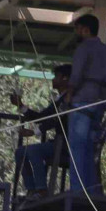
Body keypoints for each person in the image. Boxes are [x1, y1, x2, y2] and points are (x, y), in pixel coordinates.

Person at [65, 14, 106, 195]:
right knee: (90, 150)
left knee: (77, 149)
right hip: (100, 102)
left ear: (85, 30)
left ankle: (77, 191)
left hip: (82, 101)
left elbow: (76, 74)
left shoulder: (83, 48)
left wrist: (70, 93)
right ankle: (92, 192)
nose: (76, 32)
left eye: (77, 29)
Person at [12, 64, 72, 195]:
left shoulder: (70, 99)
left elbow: (57, 118)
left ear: (65, 79)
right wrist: (21, 106)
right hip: (58, 144)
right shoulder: (60, 100)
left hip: (66, 145)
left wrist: (34, 132)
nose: (53, 79)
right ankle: (31, 189)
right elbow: (42, 117)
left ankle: (41, 189)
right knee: (20, 152)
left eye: (57, 76)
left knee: (34, 151)